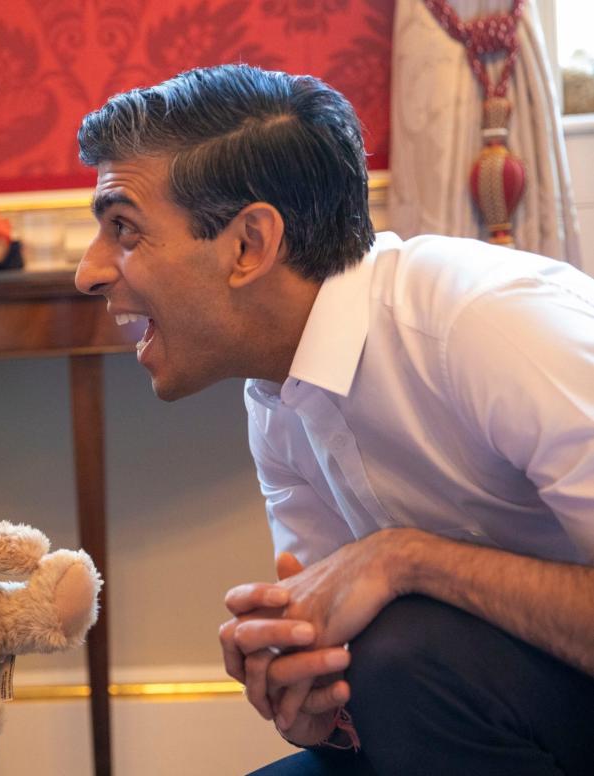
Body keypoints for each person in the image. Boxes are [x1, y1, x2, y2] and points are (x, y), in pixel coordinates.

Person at [74, 63, 594, 775]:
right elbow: (359, 673)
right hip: (484, 718)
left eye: (124, 230)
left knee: (406, 652)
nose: (89, 271)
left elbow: (410, 653)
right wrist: (313, 699)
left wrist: (409, 559)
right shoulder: (275, 396)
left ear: (248, 245)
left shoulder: (486, 325)